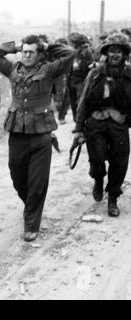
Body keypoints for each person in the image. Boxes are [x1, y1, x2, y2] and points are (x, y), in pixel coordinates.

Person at [0, 35, 75, 241]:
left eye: (31, 52)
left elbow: (70, 54)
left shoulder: (50, 69)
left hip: (42, 133)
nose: (27, 55)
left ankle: (31, 222)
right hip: (17, 131)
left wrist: (46, 46)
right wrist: (15, 46)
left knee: (38, 181)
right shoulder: (12, 69)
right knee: (16, 175)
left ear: (39, 53)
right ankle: (32, 207)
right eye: (24, 51)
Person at [73, 33, 131, 217]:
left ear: (124, 55)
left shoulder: (129, 74)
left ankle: (113, 197)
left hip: (119, 124)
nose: (115, 55)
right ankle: (98, 180)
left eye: (119, 52)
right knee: (96, 160)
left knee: (120, 162)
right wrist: (78, 128)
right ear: (106, 52)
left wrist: (126, 118)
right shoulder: (95, 72)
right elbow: (83, 101)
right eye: (112, 51)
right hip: (96, 123)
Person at [67, 33, 94, 121]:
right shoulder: (70, 52)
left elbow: (90, 64)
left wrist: (80, 63)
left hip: (81, 81)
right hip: (71, 81)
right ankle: (76, 120)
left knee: (81, 102)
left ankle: (80, 122)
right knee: (73, 102)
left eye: (70, 43)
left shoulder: (85, 50)